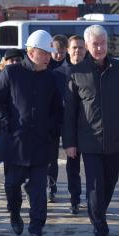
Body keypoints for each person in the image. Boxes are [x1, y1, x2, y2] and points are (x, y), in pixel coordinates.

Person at [63, 25, 119, 236]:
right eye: (95, 44)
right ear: (87, 45)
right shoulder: (77, 73)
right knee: (95, 186)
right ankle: (100, 230)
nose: (100, 47)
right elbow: (70, 112)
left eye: (103, 43)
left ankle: (98, 214)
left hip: (116, 139)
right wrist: (70, 143)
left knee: (110, 183)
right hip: (90, 141)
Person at [0, 30, 62, 236]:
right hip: (15, 144)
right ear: (31, 52)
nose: (49, 57)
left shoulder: (51, 77)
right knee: (12, 185)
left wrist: (51, 128)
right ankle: (14, 214)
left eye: (50, 53)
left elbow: (59, 109)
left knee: (39, 191)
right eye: (45, 53)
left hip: (41, 145)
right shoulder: (11, 73)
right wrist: (8, 123)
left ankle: (36, 231)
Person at [54, 35, 87, 214]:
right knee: (72, 166)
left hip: (90, 127)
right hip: (68, 127)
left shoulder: (93, 71)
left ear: (86, 50)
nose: (77, 51)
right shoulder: (58, 74)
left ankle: (93, 197)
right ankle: (74, 199)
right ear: (68, 50)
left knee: (92, 166)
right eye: (74, 47)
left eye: (81, 48)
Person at [46, 34, 69, 203]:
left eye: (62, 52)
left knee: (72, 156)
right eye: (56, 51)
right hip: (51, 117)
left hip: (68, 116)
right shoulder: (46, 67)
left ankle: (73, 190)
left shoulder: (71, 67)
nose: (58, 55)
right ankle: (51, 186)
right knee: (51, 156)